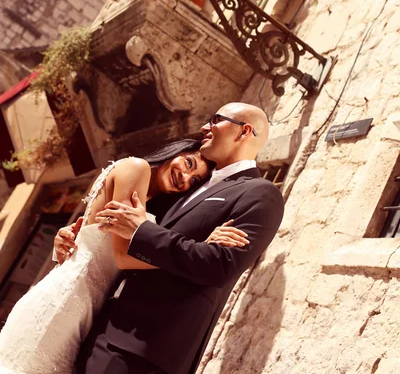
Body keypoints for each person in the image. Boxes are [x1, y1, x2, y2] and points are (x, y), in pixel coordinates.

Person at [0, 139, 245, 374]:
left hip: (85, 306)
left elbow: (88, 234)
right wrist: (199, 250)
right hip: (65, 301)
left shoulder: (152, 200)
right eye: (189, 164)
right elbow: (123, 255)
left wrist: (64, 242)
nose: (185, 178)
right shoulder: (136, 168)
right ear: (177, 150)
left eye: (194, 182)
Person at [75, 102, 284, 374]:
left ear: (244, 132)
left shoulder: (261, 194)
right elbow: (127, 226)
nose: (204, 127)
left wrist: (143, 230)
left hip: (147, 350)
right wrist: (78, 234)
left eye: (215, 120)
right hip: (105, 326)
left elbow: (220, 266)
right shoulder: (190, 183)